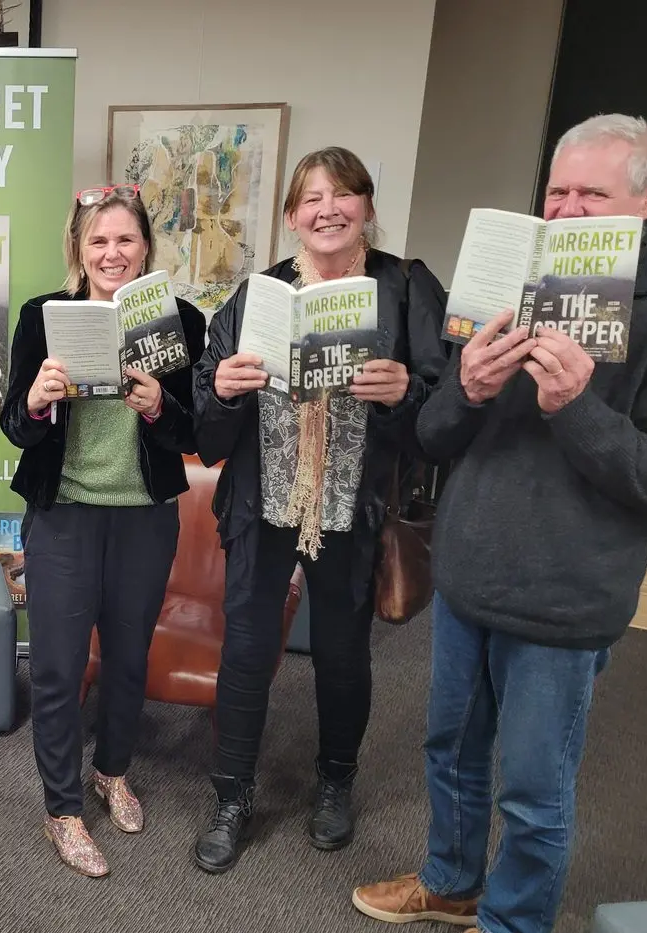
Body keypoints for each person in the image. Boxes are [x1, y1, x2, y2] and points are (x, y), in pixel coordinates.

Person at [352, 115, 647, 933]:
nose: (569, 209)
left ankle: (513, 921)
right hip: (469, 573)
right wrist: (466, 389)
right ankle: (448, 883)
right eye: (558, 190)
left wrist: (576, 408)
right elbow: (432, 437)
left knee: (534, 791)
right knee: (449, 752)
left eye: (594, 193)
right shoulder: (503, 288)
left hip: (565, 599)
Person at [191, 148, 449, 872]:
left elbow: (446, 416)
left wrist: (405, 393)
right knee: (245, 650)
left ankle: (336, 778)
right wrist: (226, 389)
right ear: (291, 216)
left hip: (351, 503)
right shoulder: (257, 294)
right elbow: (205, 423)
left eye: (343, 195)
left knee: (340, 652)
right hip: (267, 497)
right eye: (311, 198)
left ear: (367, 205)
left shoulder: (403, 287)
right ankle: (233, 794)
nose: (327, 209)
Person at [1, 182, 207, 877]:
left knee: (127, 656)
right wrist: (33, 401)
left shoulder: (181, 321)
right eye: (98, 241)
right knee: (58, 667)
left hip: (145, 517)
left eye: (125, 239)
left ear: (145, 245)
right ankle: (62, 807)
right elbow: (15, 426)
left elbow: (199, 432)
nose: (112, 253)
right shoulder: (40, 317)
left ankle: (111, 770)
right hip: (64, 515)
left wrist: (159, 408)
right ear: (78, 249)